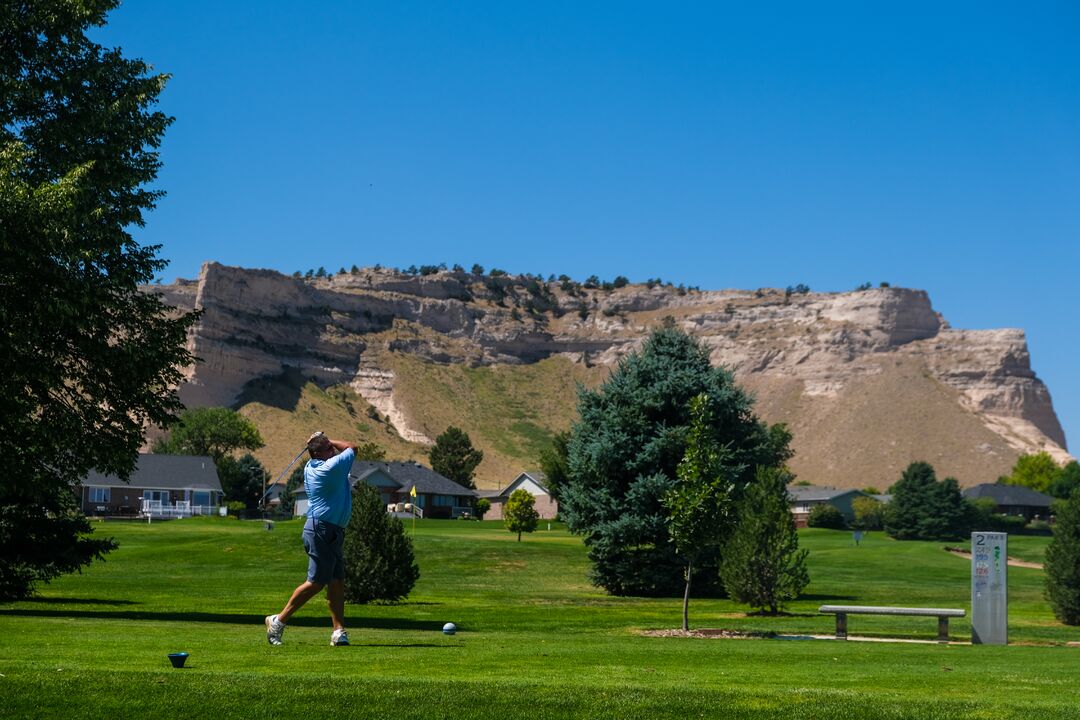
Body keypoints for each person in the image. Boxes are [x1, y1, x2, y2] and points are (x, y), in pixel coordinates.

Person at [266, 431, 357, 646]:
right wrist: (329, 438)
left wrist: (318, 443)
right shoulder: (329, 468)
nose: (333, 450)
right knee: (317, 582)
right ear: (318, 454)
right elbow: (352, 448)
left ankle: (338, 631)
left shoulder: (311, 466)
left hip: (331, 530)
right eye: (328, 448)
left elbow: (336, 451)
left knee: (336, 581)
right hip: (321, 530)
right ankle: (277, 621)